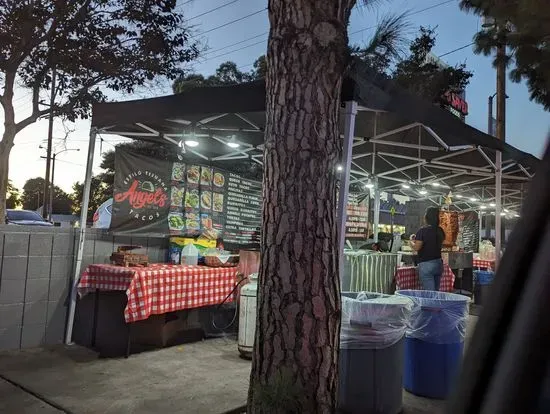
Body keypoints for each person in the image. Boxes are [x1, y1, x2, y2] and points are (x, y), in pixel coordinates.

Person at [410, 207, 445, 291]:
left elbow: (417, 247)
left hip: (426, 264)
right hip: (438, 263)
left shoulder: (422, 231)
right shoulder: (440, 231)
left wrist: (411, 241)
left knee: (430, 293)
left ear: (427, 218)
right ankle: (436, 304)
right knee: (436, 292)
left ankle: (431, 304)